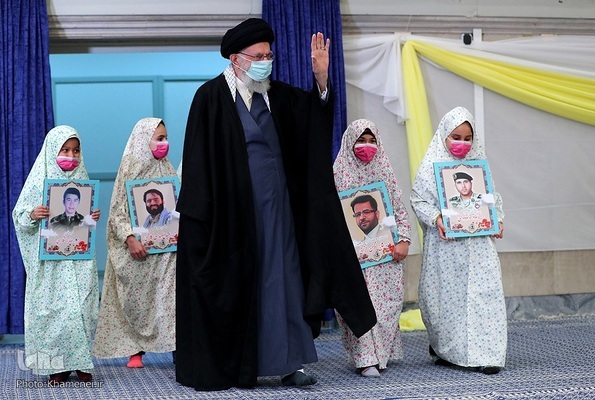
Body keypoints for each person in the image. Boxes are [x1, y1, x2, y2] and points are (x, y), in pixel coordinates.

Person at [176, 18, 376, 391]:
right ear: (236, 59)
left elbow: (314, 123)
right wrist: (198, 219)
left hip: (280, 208)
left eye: (270, 55)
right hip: (233, 215)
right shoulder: (210, 97)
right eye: (258, 56)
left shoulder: (279, 95)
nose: (266, 61)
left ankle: (289, 363)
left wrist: (321, 81)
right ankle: (243, 363)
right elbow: (199, 161)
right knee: (243, 284)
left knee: (283, 279)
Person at [410, 106, 507, 375]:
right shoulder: (431, 167)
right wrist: (437, 218)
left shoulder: (478, 165)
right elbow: (418, 200)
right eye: (456, 137)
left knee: (484, 296)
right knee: (445, 301)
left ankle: (487, 354)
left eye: (467, 138)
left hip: (479, 247)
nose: (462, 144)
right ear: (444, 135)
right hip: (446, 248)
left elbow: (491, 198)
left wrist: (497, 218)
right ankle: (448, 349)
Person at [12, 125, 101, 385]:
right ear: (53, 150)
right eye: (65, 150)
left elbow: (84, 220)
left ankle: (81, 361)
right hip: (50, 264)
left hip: (79, 260)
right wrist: (32, 215)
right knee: (54, 310)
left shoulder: (82, 180)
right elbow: (19, 216)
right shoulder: (39, 180)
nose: (71, 156)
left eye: (76, 151)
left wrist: (90, 218)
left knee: (82, 308)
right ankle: (56, 366)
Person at [93, 118, 177, 368]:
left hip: (165, 251)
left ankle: (175, 346)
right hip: (137, 250)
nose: (165, 144)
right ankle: (135, 349)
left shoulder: (167, 169)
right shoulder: (130, 168)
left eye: (165, 137)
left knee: (169, 298)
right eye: (159, 138)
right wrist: (129, 238)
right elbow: (117, 211)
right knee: (134, 300)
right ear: (143, 141)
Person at [333, 119, 411, 378]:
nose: (367, 147)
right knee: (358, 304)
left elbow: (397, 209)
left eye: (371, 141)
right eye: (361, 141)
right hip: (351, 259)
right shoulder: (338, 174)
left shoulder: (384, 171)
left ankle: (381, 354)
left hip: (385, 257)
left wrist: (404, 240)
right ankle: (366, 358)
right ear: (349, 142)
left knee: (385, 305)